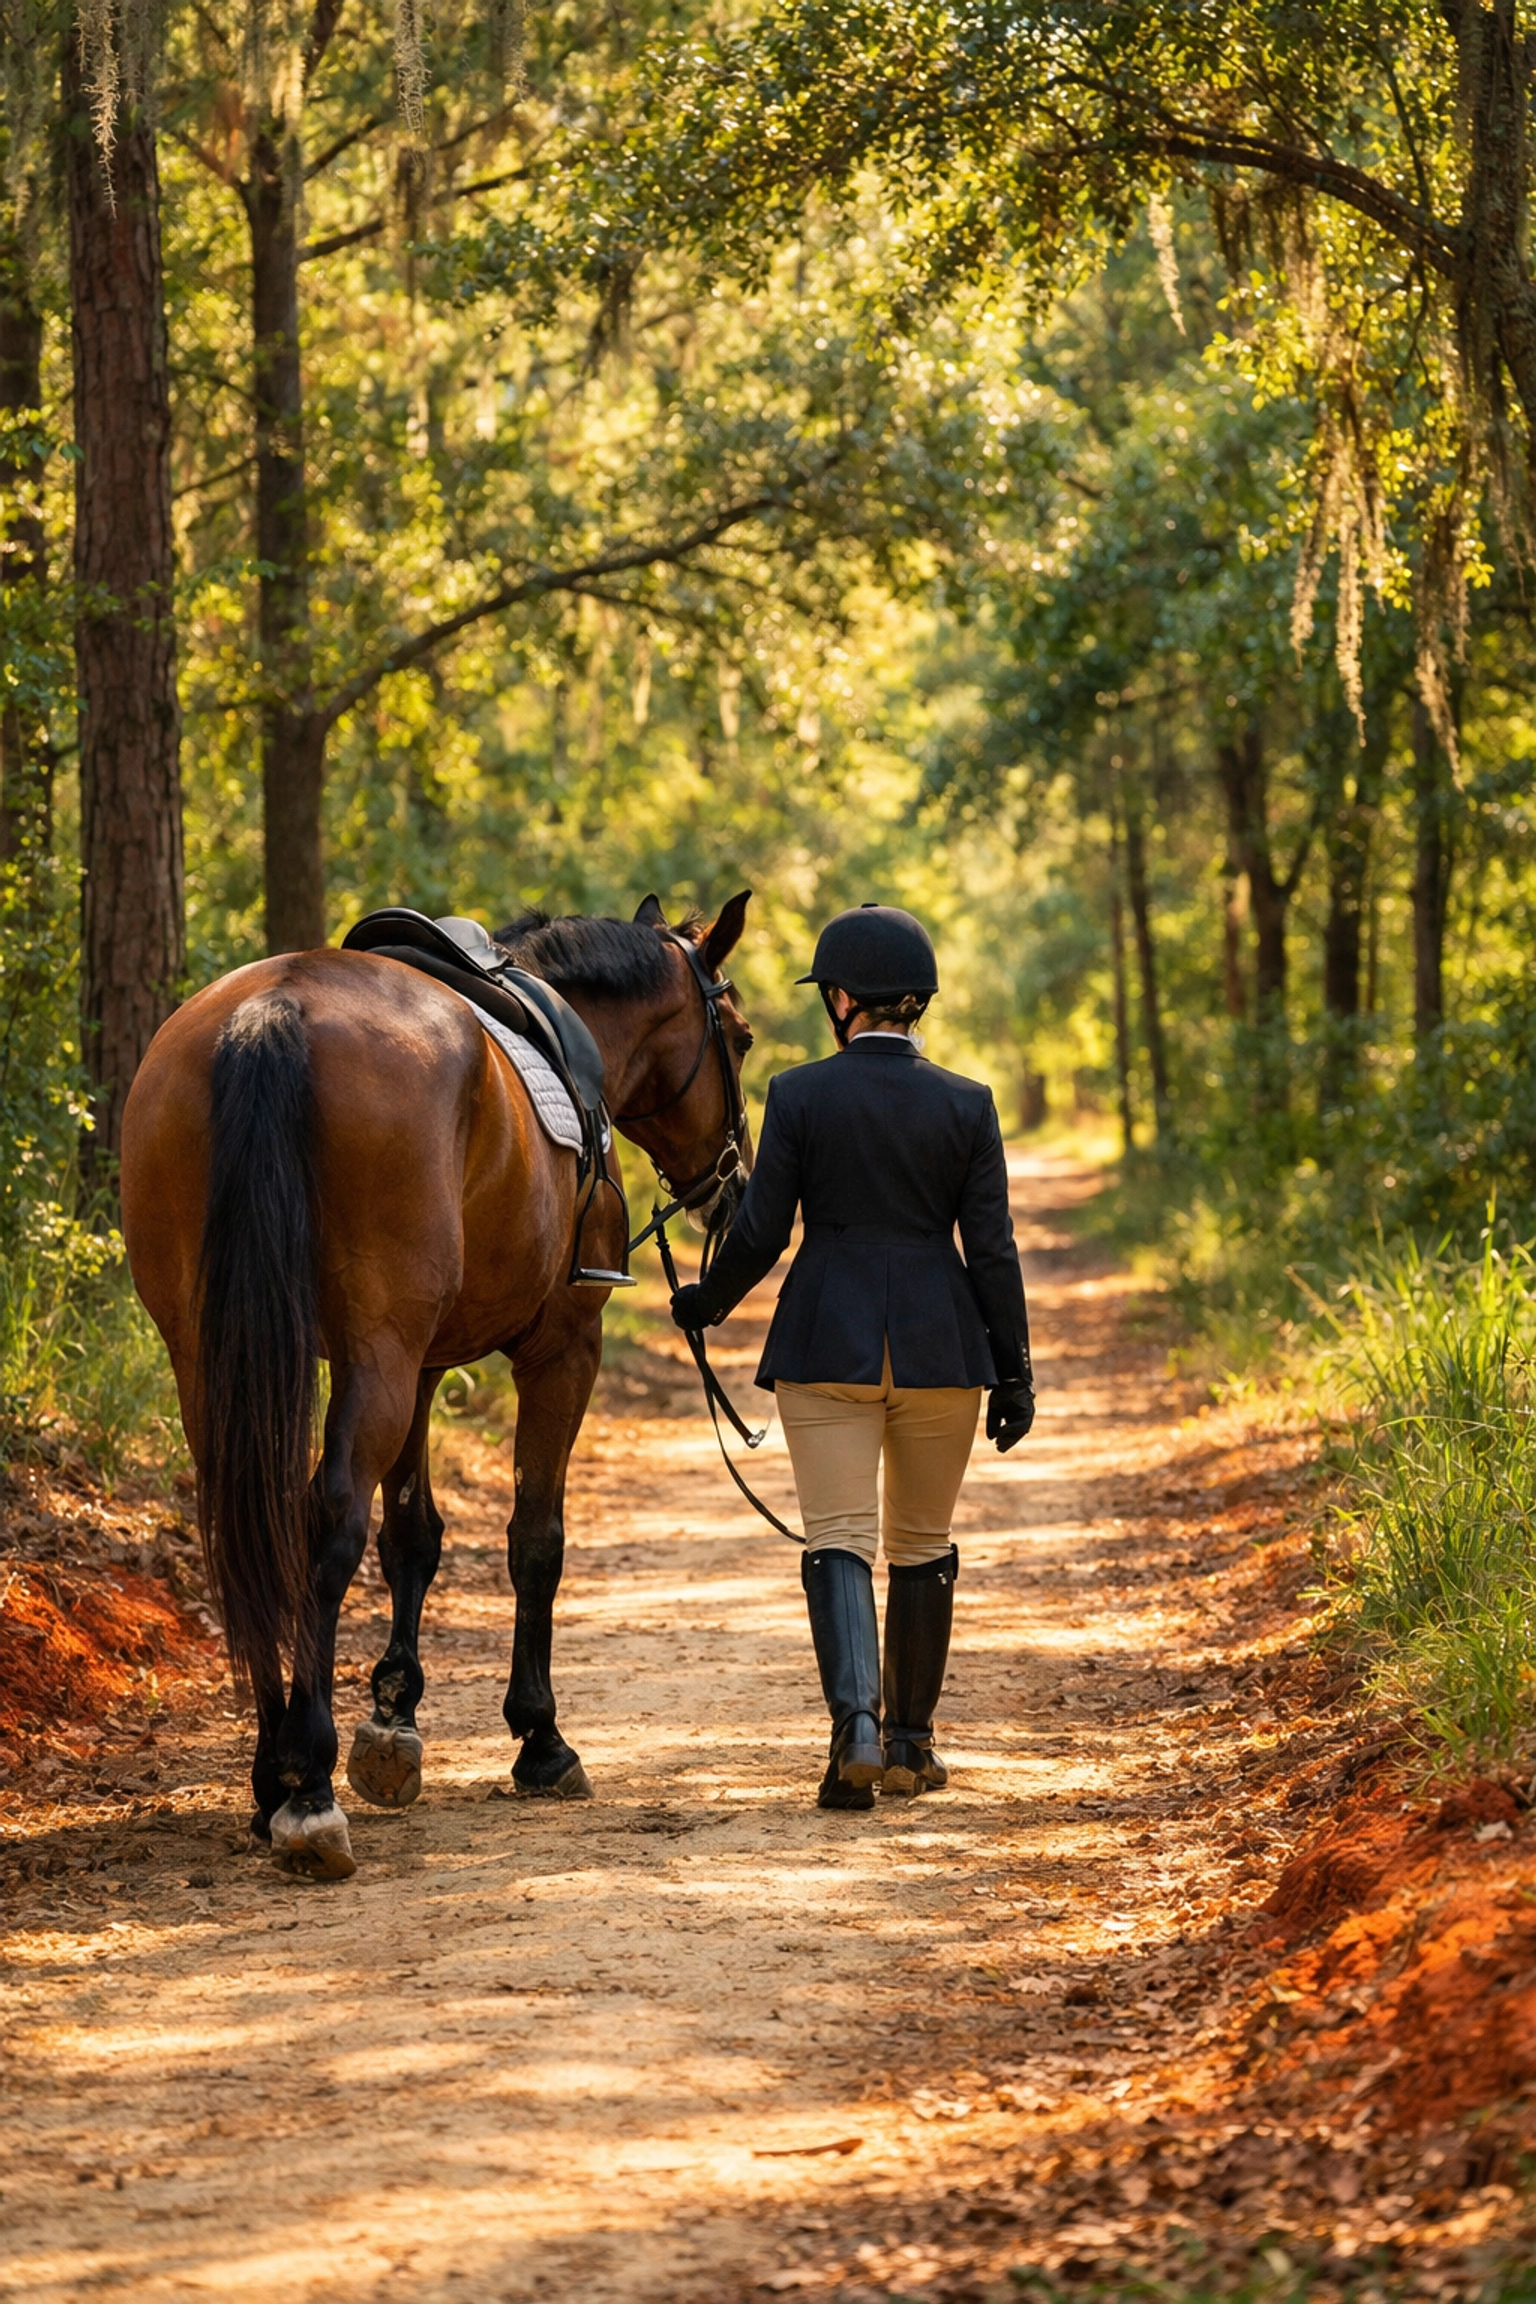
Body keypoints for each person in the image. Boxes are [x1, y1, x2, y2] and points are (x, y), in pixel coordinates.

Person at [669, 903, 1035, 1810]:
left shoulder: (798, 1095)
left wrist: (707, 1303)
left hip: (826, 1338)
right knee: (921, 1544)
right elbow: (991, 1250)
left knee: (838, 1538)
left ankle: (854, 1736)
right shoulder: (968, 1104)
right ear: (918, 1002)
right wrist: (1016, 1371)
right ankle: (911, 1745)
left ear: (841, 999)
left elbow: (759, 1232)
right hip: (940, 1348)